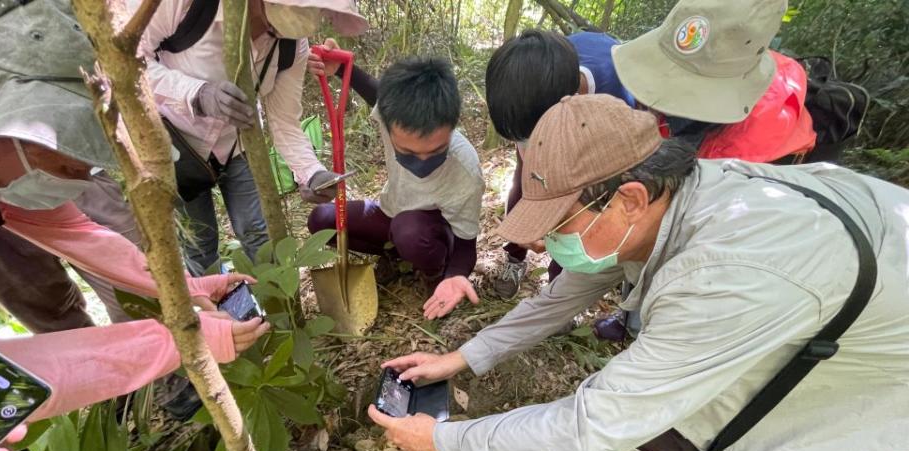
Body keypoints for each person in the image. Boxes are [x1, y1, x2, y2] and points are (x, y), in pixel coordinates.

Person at [368, 94, 909, 451]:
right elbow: (560, 297)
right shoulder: (674, 196)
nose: (539, 241)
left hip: (895, 399)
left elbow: (592, 425)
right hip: (852, 308)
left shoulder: (724, 274)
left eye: (557, 223)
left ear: (627, 199)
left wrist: (444, 442)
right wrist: (461, 358)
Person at [0, 0, 269, 451]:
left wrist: (192, 287)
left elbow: (84, 234)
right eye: (65, 153)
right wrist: (178, 340)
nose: (76, 172)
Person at [592, 0, 817, 341]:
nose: (650, 101)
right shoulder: (704, 64)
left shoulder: (751, 158)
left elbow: (701, 250)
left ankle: (647, 329)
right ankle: (630, 317)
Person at [133, 0, 368, 274]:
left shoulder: (291, 46)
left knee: (259, 234)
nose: (268, 33)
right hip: (174, 145)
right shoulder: (186, 6)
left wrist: (312, 174)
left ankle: (278, 311)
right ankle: (219, 312)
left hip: (238, 143)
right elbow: (129, 63)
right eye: (271, 21)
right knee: (199, 243)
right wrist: (196, 93)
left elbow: (285, 121)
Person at [307, 41, 484, 320]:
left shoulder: (466, 171)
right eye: (409, 152)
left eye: (436, 151)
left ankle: (430, 273)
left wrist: (454, 276)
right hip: (391, 211)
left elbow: (465, 245)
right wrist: (341, 67)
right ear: (387, 123)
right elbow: (374, 91)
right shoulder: (395, 115)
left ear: (452, 127)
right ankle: (395, 256)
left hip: (432, 233)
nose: (423, 161)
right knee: (321, 220)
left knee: (409, 230)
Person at [485, 29, 635, 299]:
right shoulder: (526, 90)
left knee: (577, 206)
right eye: (519, 138)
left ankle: (559, 287)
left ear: (570, 102)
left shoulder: (616, 90)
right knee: (523, 184)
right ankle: (515, 257)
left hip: (597, 142)